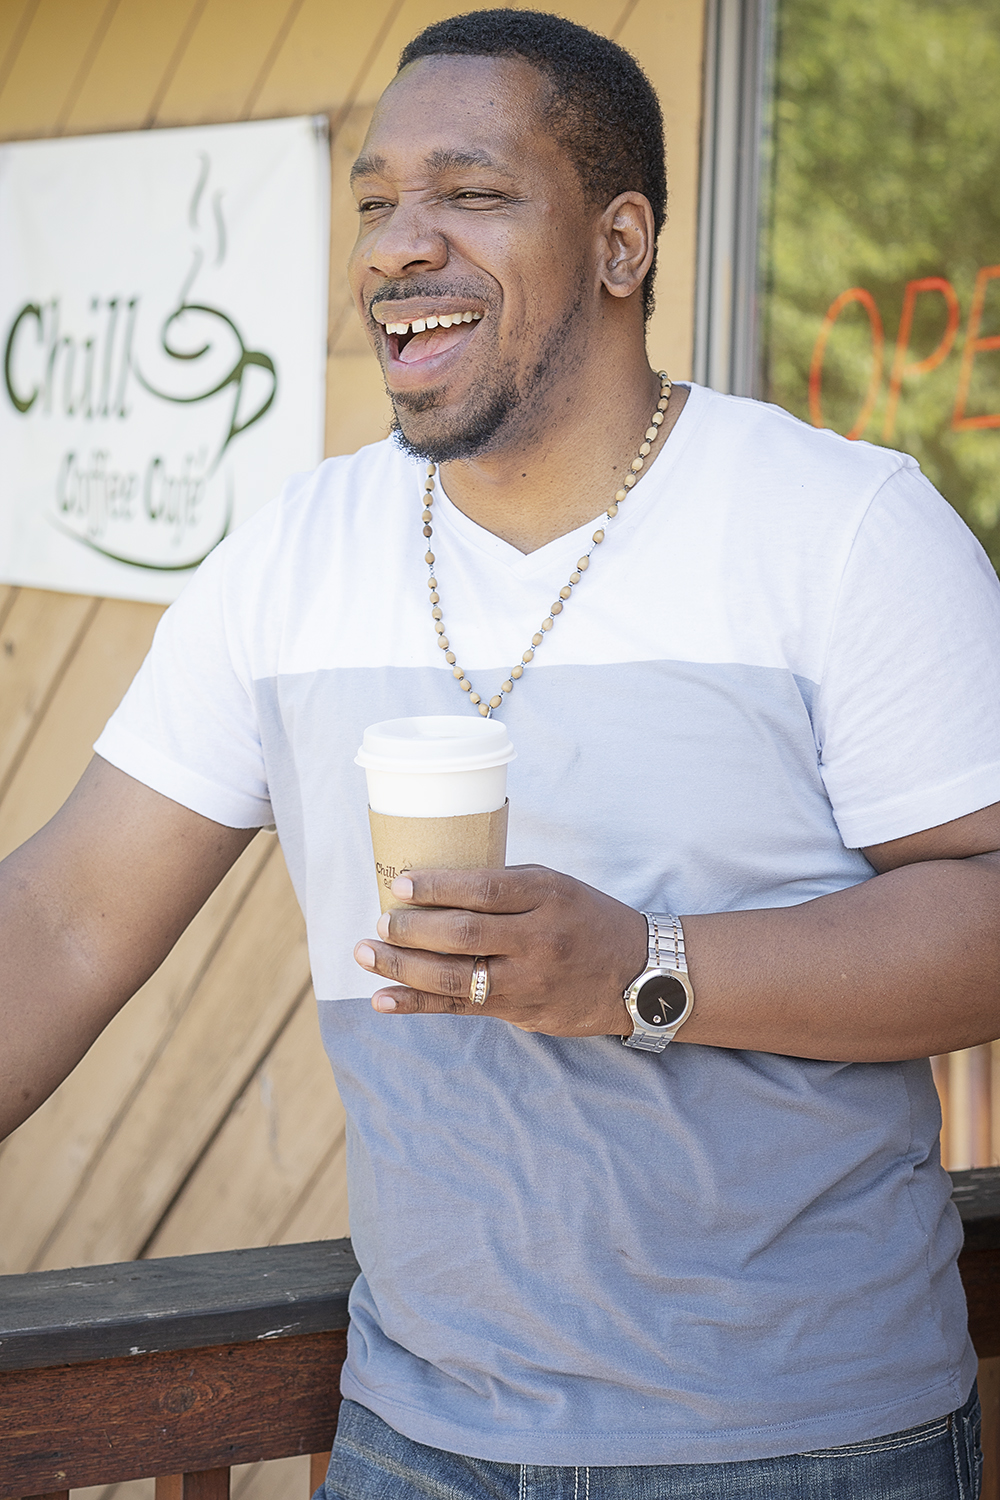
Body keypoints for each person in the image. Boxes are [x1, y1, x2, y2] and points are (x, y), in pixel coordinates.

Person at [1, 8, 998, 1496]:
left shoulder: (844, 529)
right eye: (377, 203)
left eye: (469, 196)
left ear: (620, 244)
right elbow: (63, 922)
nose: (399, 244)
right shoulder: (288, 563)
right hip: (418, 1437)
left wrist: (643, 970)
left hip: (804, 1440)